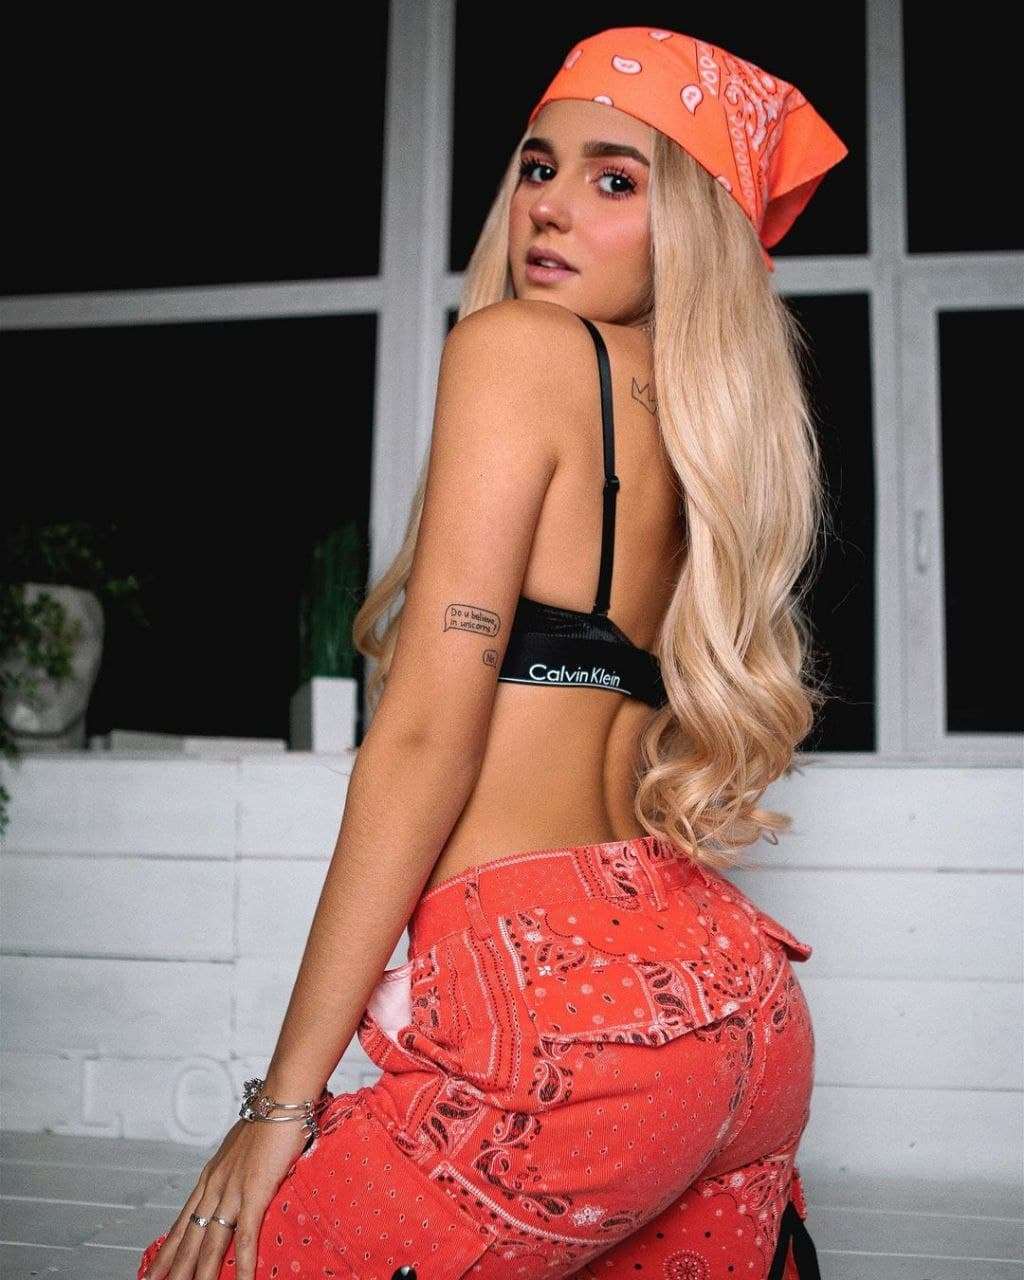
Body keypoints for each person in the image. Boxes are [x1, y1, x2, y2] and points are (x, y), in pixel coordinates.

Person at [138, 26, 848, 1280]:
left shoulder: (518, 349)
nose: (550, 205)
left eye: (614, 178)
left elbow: (426, 737)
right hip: (738, 1017)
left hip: (564, 1026)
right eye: (536, 165)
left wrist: (280, 1101)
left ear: (690, 229)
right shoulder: (705, 430)